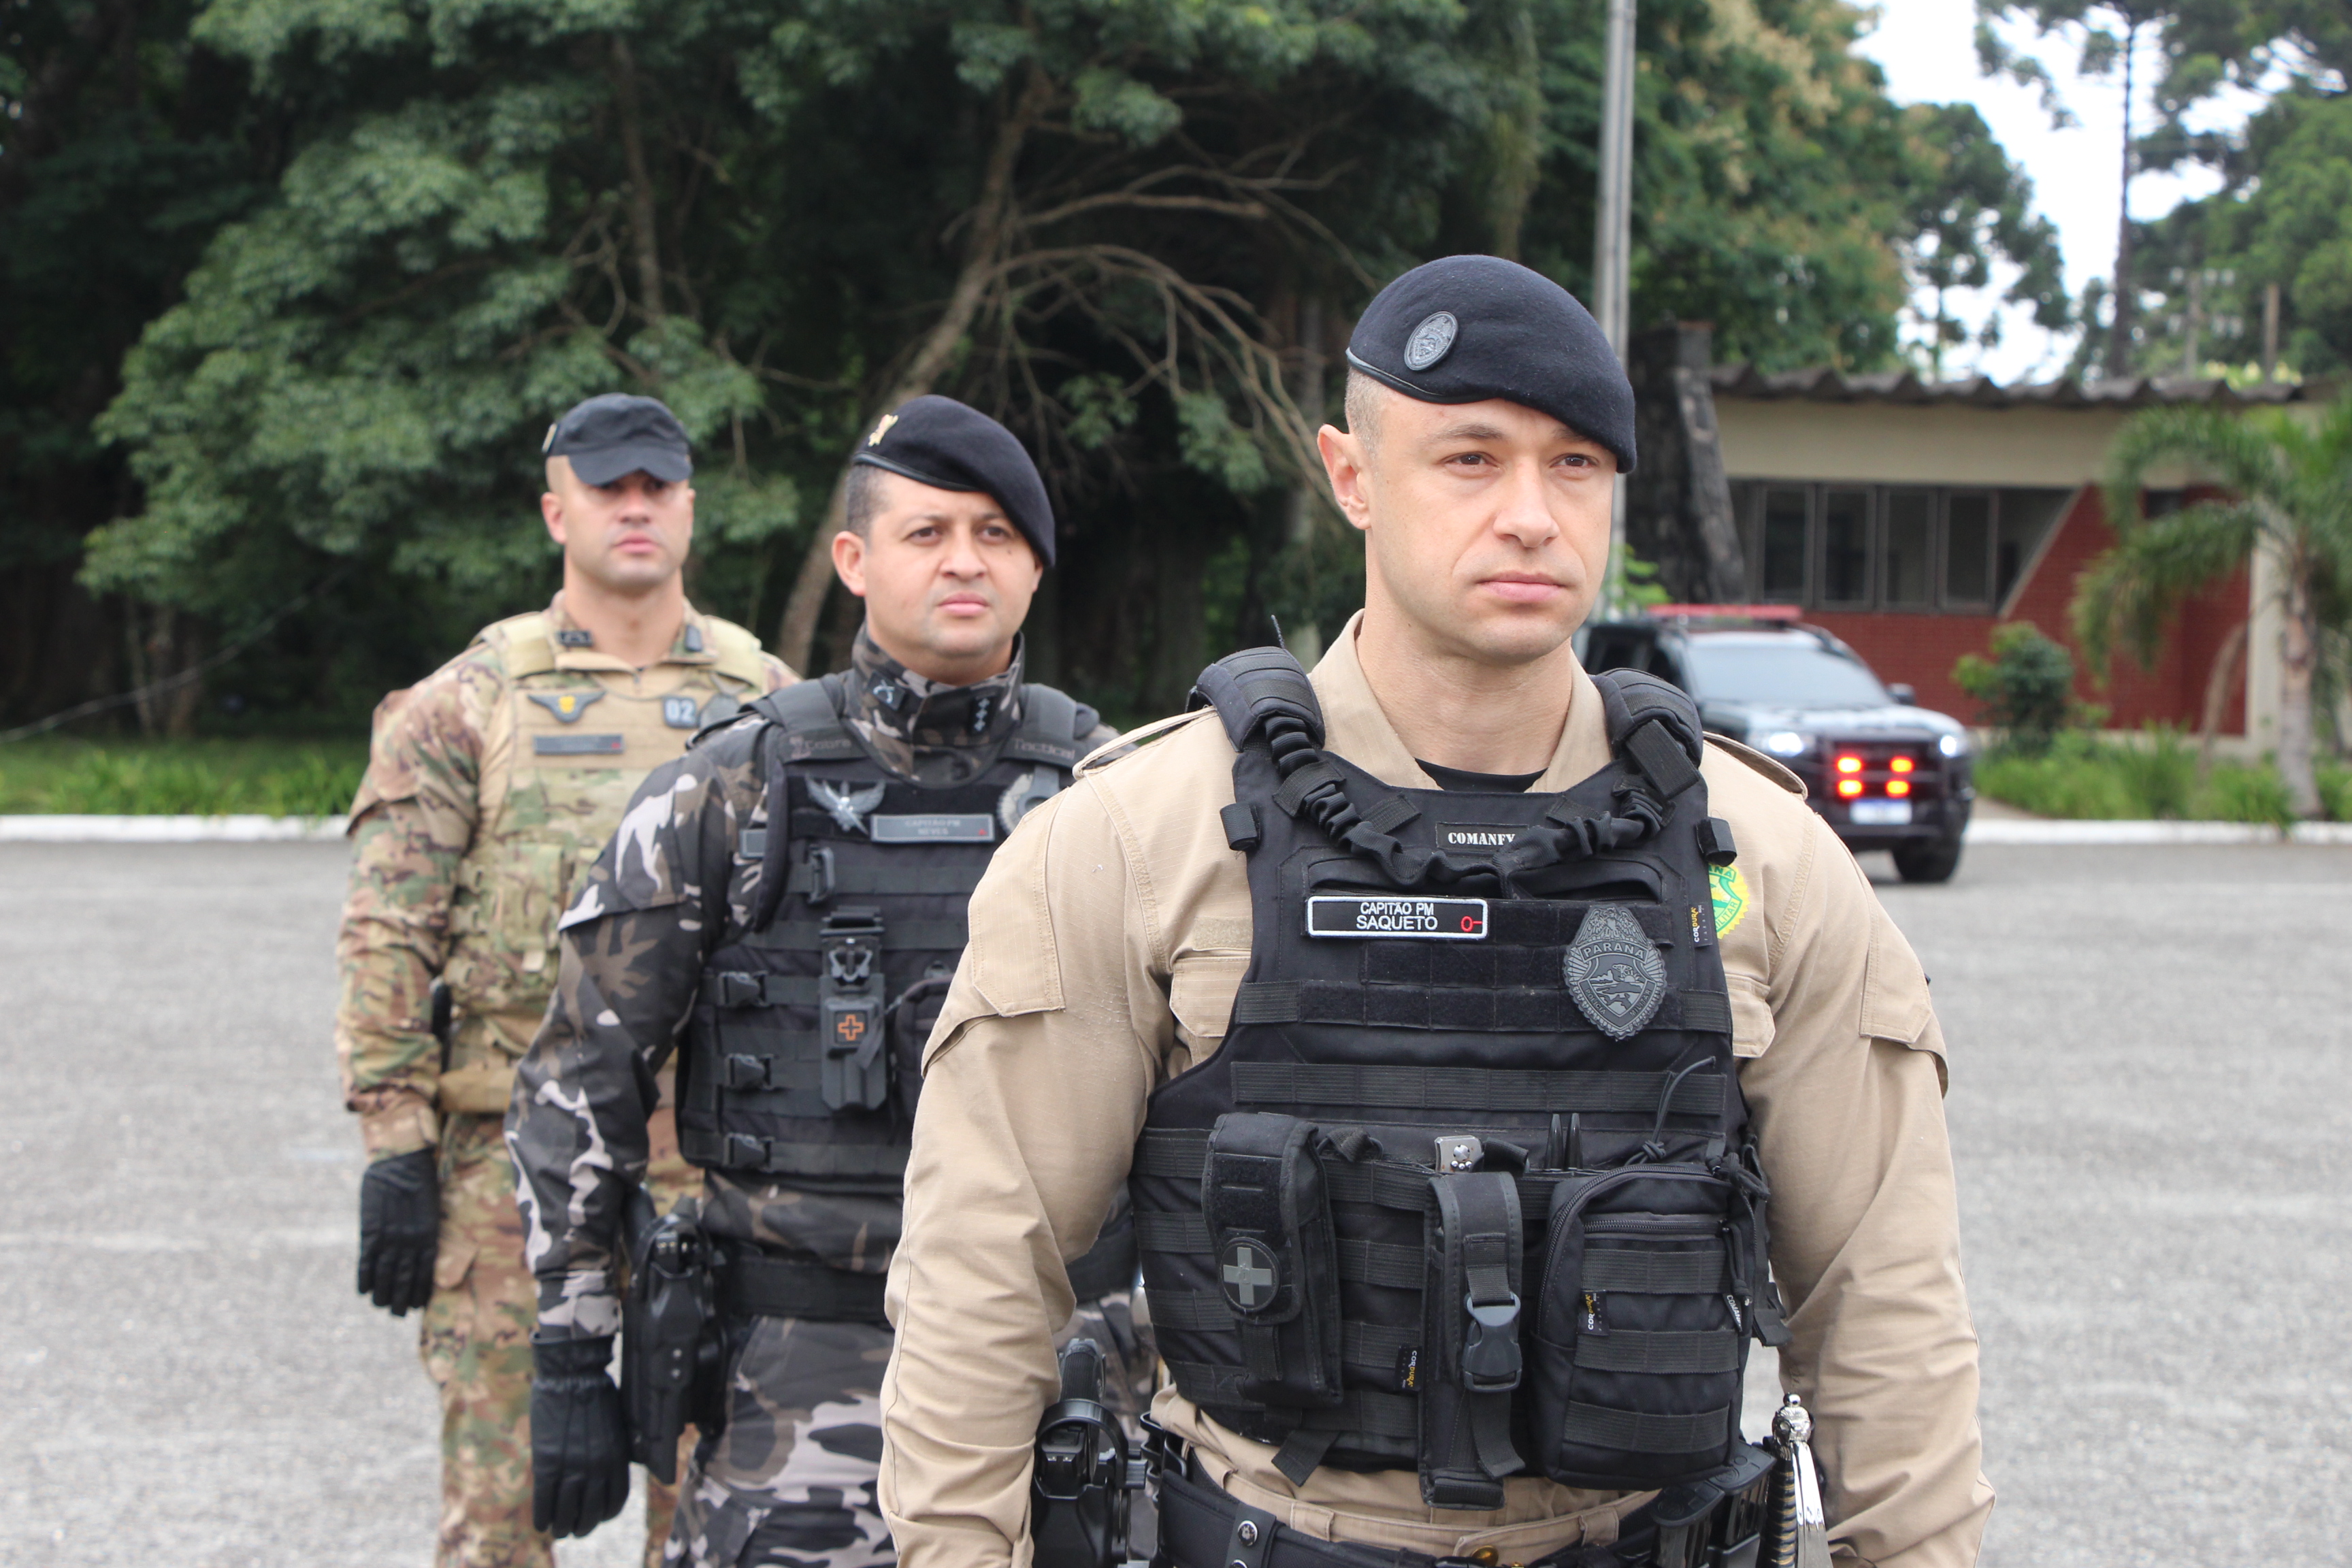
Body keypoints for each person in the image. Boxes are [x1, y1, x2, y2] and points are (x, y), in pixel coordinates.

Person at [877, 256, 1995, 1568]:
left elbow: (1884, 1311)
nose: (1531, 516)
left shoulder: (1766, 860)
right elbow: (980, 1278)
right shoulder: (1136, 840)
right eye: (1471, 459)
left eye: (1575, 466)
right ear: (1351, 476)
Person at [507, 395, 1152, 1568]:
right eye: (927, 532)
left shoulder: (1121, 798)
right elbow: (580, 1074)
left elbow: (1215, 1089)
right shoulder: (732, 792)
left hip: (1065, 1370)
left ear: (1037, 565)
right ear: (855, 560)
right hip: (797, 1378)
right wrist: (569, 1345)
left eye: (997, 534)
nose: (965, 561)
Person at [337, 392, 794, 1568]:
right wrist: (395, 1140)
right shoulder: (466, 702)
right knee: (505, 1510)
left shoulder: (768, 703)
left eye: (656, 485)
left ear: (690, 506)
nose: (634, 506)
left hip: (719, 1161)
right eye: (607, 487)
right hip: (511, 1172)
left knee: (722, 1512)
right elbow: (389, 931)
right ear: (557, 513)